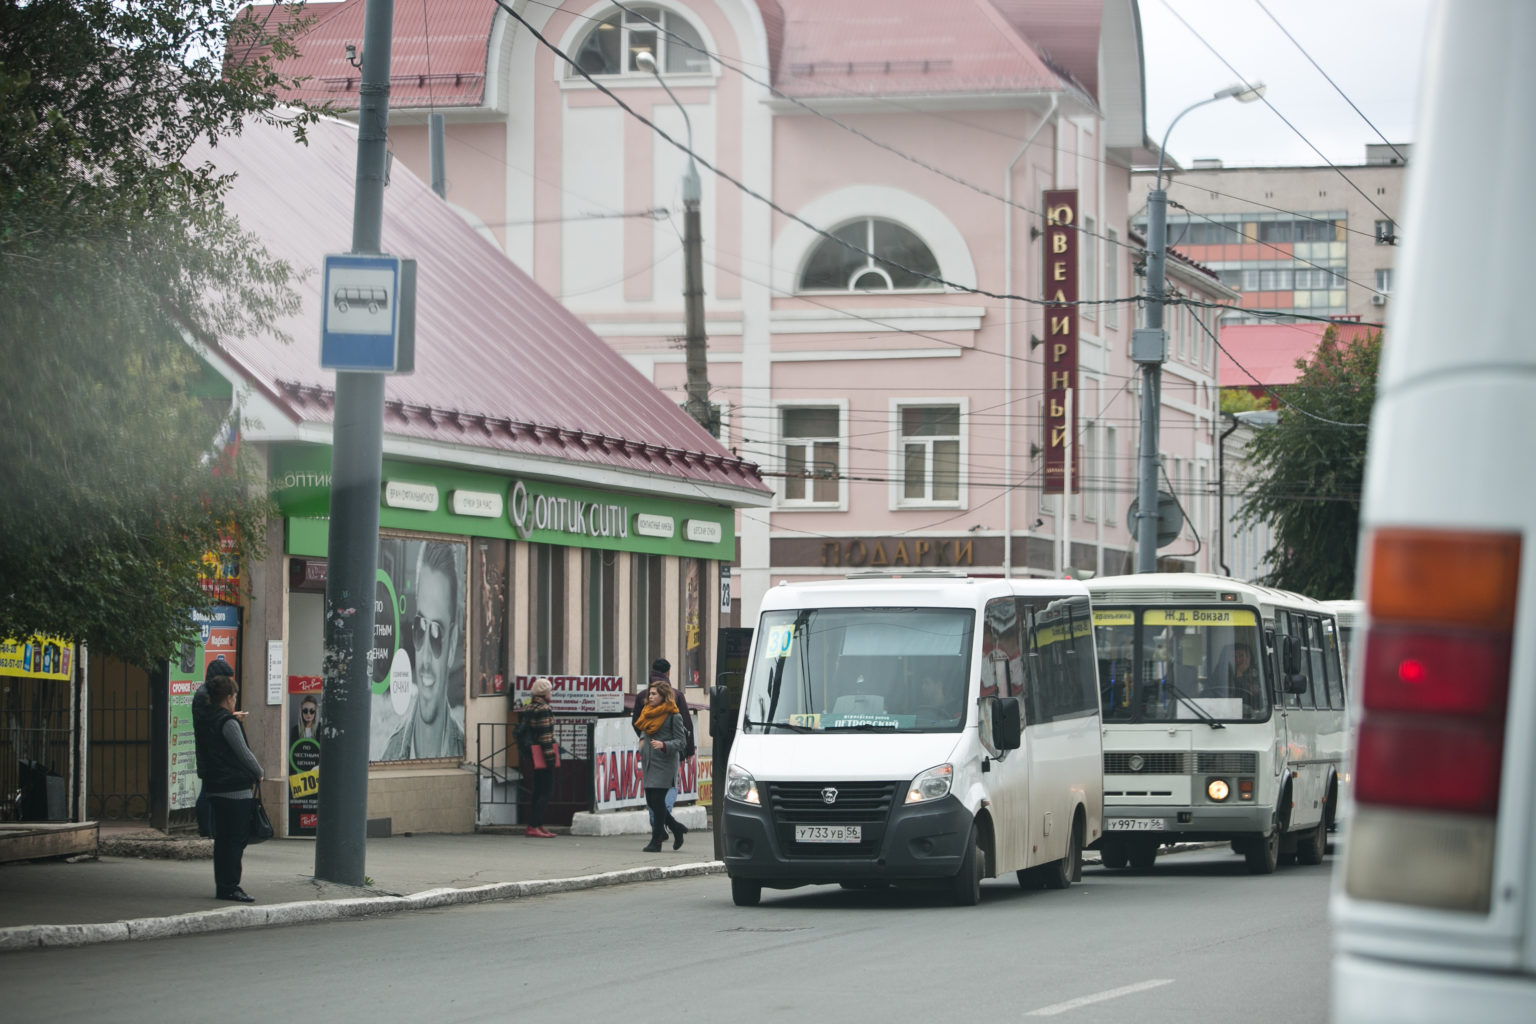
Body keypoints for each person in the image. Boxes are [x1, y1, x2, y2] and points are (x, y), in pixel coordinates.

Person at [384, 543, 466, 760]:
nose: (426, 657)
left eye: (437, 633)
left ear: (452, 642)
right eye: (421, 628)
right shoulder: (390, 752)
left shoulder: (465, 750)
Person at [193, 672, 263, 902]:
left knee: (223, 840)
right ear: (228, 697)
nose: (235, 701)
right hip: (234, 790)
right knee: (234, 840)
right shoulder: (227, 722)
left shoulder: (205, 720)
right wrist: (259, 772)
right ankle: (231, 886)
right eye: (234, 696)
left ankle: (223, 885)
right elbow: (243, 753)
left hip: (214, 787)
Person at [631, 658, 694, 820]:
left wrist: (644, 739)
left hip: (650, 750)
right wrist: (688, 750)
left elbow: (637, 722)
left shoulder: (642, 696)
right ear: (668, 673)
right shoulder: (676, 696)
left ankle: (657, 824)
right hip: (669, 750)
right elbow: (686, 725)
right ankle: (662, 820)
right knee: (670, 784)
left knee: (652, 790)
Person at [635, 679, 689, 852]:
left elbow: (681, 742)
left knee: (657, 800)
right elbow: (645, 730)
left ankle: (656, 840)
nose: (650, 697)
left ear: (663, 695)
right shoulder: (647, 712)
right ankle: (676, 828)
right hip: (650, 761)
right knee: (652, 801)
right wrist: (643, 740)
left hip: (665, 763)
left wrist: (665, 745)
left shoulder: (674, 715)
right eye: (649, 694)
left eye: (654, 694)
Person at [193, 658, 245, 838]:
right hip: (208, 750)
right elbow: (210, 719)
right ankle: (205, 829)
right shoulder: (203, 696)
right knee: (207, 792)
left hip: (210, 749)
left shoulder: (205, 693)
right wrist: (229, 717)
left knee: (208, 790)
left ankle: (209, 828)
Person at [519, 677, 558, 838]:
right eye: (550, 690)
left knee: (537, 790)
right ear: (544, 692)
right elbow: (545, 736)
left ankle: (537, 824)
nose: (551, 693)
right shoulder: (543, 709)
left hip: (532, 754)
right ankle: (534, 825)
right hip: (543, 755)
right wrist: (551, 758)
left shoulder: (529, 707)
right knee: (546, 791)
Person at [1229, 642, 1264, 711]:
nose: (1238, 660)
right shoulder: (1225, 673)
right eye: (1234, 656)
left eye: (1241, 656)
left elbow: (1252, 697)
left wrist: (1239, 673)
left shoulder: (1257, 673)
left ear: (1248, 658)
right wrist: (1239, 673)